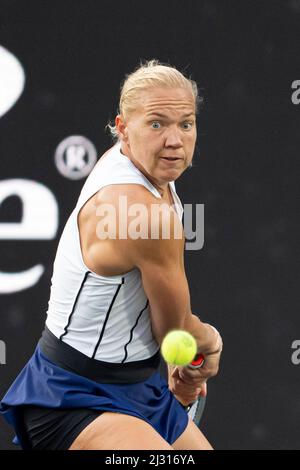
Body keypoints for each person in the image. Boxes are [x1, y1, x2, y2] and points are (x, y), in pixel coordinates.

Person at [0, 59, 223, 450]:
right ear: (123, 128)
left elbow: (168, 338)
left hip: (138, 387)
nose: (175, 140)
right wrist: (210, 342)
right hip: (71, 399)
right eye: (157, 124)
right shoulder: (144, 215)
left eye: (185, 124)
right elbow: (175, 334)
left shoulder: (139, 166)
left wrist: (178, 361)